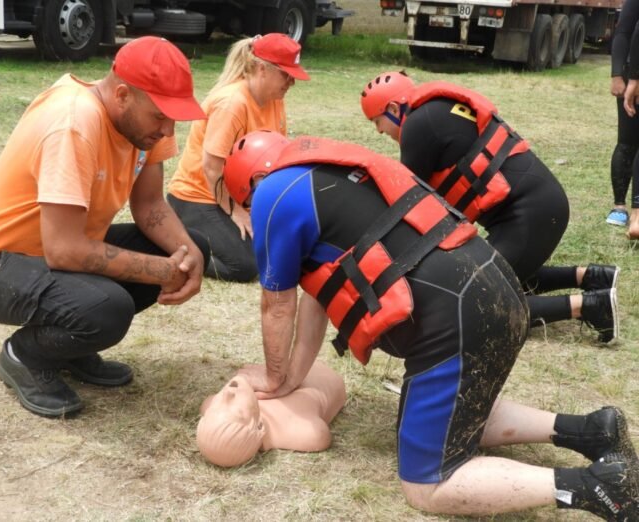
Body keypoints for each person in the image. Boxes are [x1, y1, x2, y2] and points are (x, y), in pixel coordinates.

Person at [220, 131, 639, 519]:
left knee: (428, 484)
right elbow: (318, 297)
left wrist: (272, 377)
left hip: (454, 313)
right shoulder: (326, 172)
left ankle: (598, 486)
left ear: (253, 183)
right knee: (449, 418)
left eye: (247, 206)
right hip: (493, 280)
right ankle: (590, 431)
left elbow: (277, 307)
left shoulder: (273, 193)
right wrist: (290, 378)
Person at [0, 36, 209, 418]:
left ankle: (70, 347)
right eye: (160, 116)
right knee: (108, 309)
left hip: (54, 253)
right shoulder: (74, 123)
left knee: (187, 247)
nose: (169, 130)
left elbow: (150, 204)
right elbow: (65, 250)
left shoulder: (140, 126)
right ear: (122, 95)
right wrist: (163, 271)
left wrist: (189, 258)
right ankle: (24, 355)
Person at [361, 71, 619, 343]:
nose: (379, 131)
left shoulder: (417, 126)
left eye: (377, 121)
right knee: (493, 273)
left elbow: (405, 201)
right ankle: (593, 277)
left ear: (393, 109)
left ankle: (592, 307)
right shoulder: (434, 111)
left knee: (469, 300)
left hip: (530, 214)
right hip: (538, 206)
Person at [166, 33, 309, 282]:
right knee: (244, 266)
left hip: (238, 197)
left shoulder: (275, 100)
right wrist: (237, 213)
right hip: (198, 197)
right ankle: (177, 243)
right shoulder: (232, 103)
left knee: (288, 246)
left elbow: (275, 158)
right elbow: (212, 168)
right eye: (286, 75)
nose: (291, 83)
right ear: (262, 69)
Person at [196, 361, 346, 467]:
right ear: (259, 427)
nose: (227, 394)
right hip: (322, 375)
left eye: (215, 408)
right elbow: (320, 436)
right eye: (238, 411)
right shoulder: (299, 429)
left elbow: (207, 405)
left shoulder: (211, 406)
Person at [614, 0, 639, 237]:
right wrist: (618, 75)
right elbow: (624, 32)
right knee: (627, 141)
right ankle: (620, 206)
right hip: (633, 72)